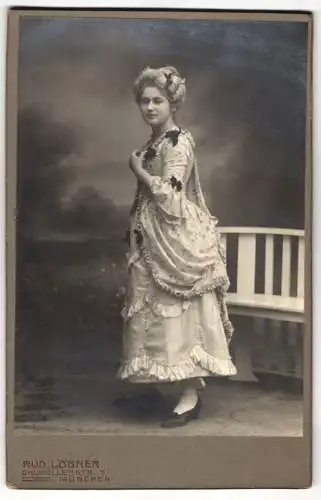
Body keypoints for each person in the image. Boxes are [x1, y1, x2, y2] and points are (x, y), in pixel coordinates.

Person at [116, 65, 237, 428]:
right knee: (149, 312)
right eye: (144, 101)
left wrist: (138, 172)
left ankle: (189, 395)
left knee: (176, 314)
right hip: (150, 242)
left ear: (173, 104)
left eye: (158, 101)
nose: (150, 107)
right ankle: (153, 387)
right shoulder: (154, 142)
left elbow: (170, 197)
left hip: (173, 241)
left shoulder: (178, 143)